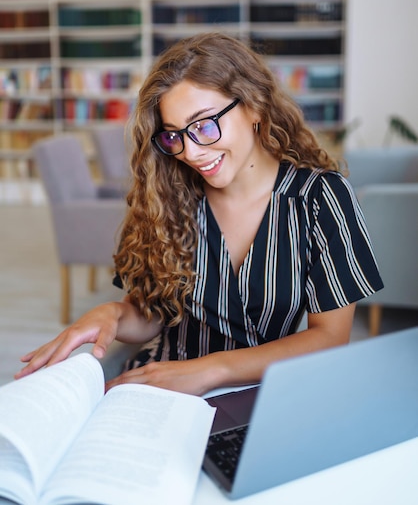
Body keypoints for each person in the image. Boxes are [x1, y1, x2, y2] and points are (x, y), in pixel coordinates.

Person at [16, 32, 383, 395]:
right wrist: (114, 314)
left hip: (262, 393)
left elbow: (330, 337)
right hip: (160, 388)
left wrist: (210, 371)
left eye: (204, 125)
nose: (190, 152)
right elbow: (155, 312)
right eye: (174, 136)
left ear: (254, 106)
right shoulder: (168, 196)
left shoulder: (320, 198)